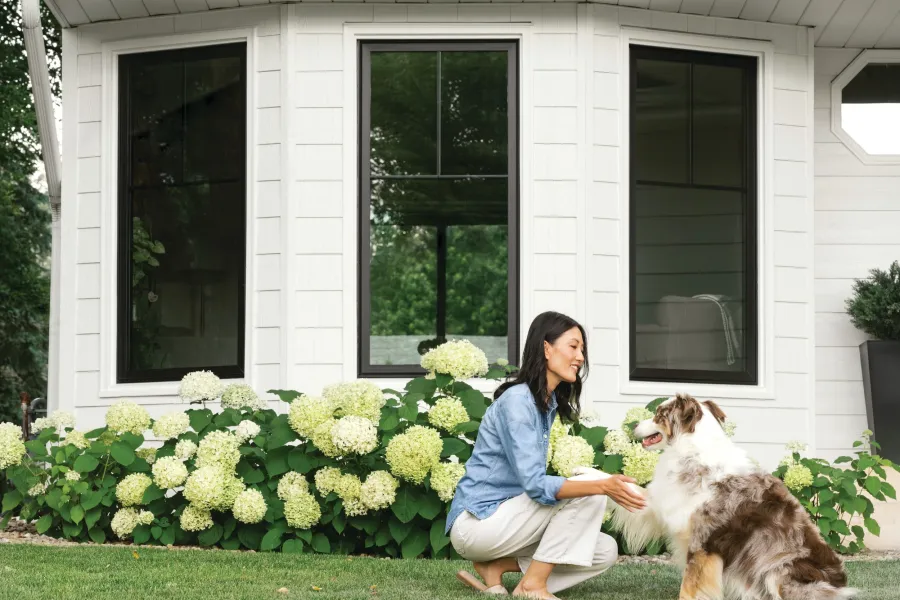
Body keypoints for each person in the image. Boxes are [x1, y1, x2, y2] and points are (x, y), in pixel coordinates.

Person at [447, 311, 647, 599]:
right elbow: (536, 485)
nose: (580, 356)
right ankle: (532, 586)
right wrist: (602, 485)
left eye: (582, 349)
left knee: (603, 551)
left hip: (509, 524)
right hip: (478, 524)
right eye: (573, 346)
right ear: (546, 347)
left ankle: (496, 569)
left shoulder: (545, 403)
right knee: (591, 489)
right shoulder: (518, 402)